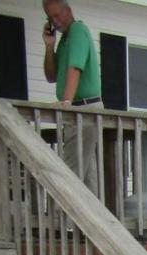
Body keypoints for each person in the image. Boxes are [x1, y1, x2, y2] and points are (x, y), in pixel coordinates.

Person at [41, 0, 102, 194]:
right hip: (77, 111)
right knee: (87, 182)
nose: (55, 21)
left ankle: (59, 219)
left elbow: (75, 68)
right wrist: (49, 46)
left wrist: (66, 104)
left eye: (58, 15)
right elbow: (51, 75)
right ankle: (91, 223)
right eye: (51, 18)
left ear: (69, 11)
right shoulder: (64, 40)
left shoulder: (77, 30)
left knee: (68, 175)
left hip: (83, 110)